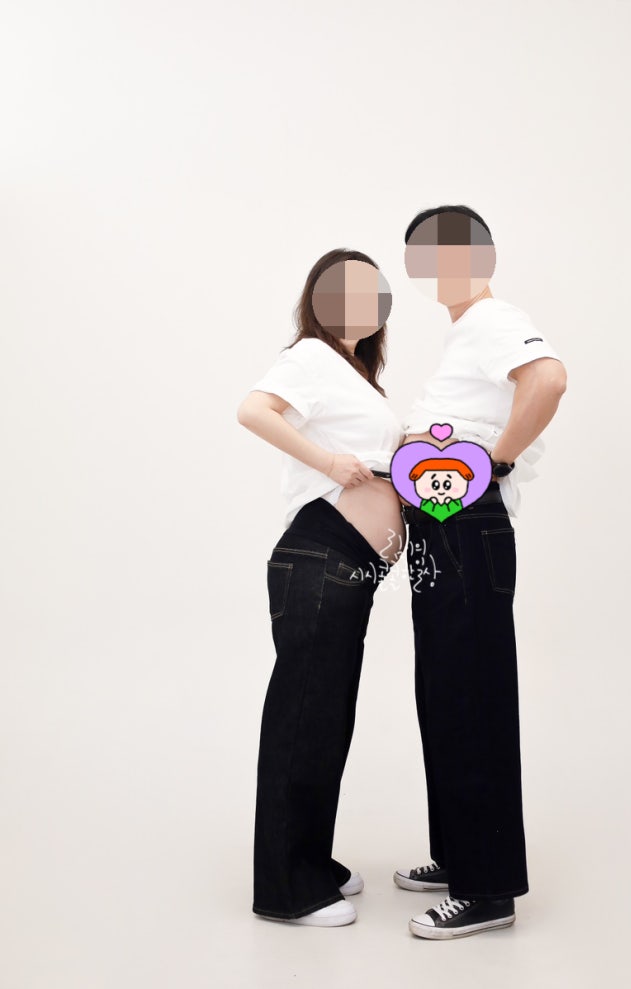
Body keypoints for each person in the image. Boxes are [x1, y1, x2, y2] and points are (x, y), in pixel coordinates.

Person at [394, 205, 567, 940]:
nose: (440, 270)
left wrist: (490, 463)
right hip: (442, 524)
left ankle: (488, 889)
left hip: (466, 523)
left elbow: (548, 380)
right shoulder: (464, 332)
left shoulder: (496, 320)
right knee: (442, 691)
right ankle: (459, 855)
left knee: (472, 694)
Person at [236, 248, 405, 927]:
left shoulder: (356, 374)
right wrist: (329, 462)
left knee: (327, 717)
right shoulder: (309, 355)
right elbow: (254, 410)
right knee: (304, 716)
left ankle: (310, 858)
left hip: (351, 565)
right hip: (319, 554)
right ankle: (286, 889)